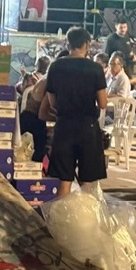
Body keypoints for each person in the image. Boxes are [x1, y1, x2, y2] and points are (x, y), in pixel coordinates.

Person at [46, 27, 107, 199]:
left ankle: (62, 214)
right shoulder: (95, 68)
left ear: (68, 44)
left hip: (64, 126)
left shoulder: (56, 66)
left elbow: (52, 103)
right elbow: (103, 103)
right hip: (88, 127)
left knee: (64, 180)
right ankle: (87, 215)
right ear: (87, 44)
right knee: (88, 181)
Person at [19, 56, 53, 161]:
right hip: (34, 120)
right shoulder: (49, 83)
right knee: (36, 155)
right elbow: (43, 113)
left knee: (23, 154)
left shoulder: (42, 81)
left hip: (26, 118)